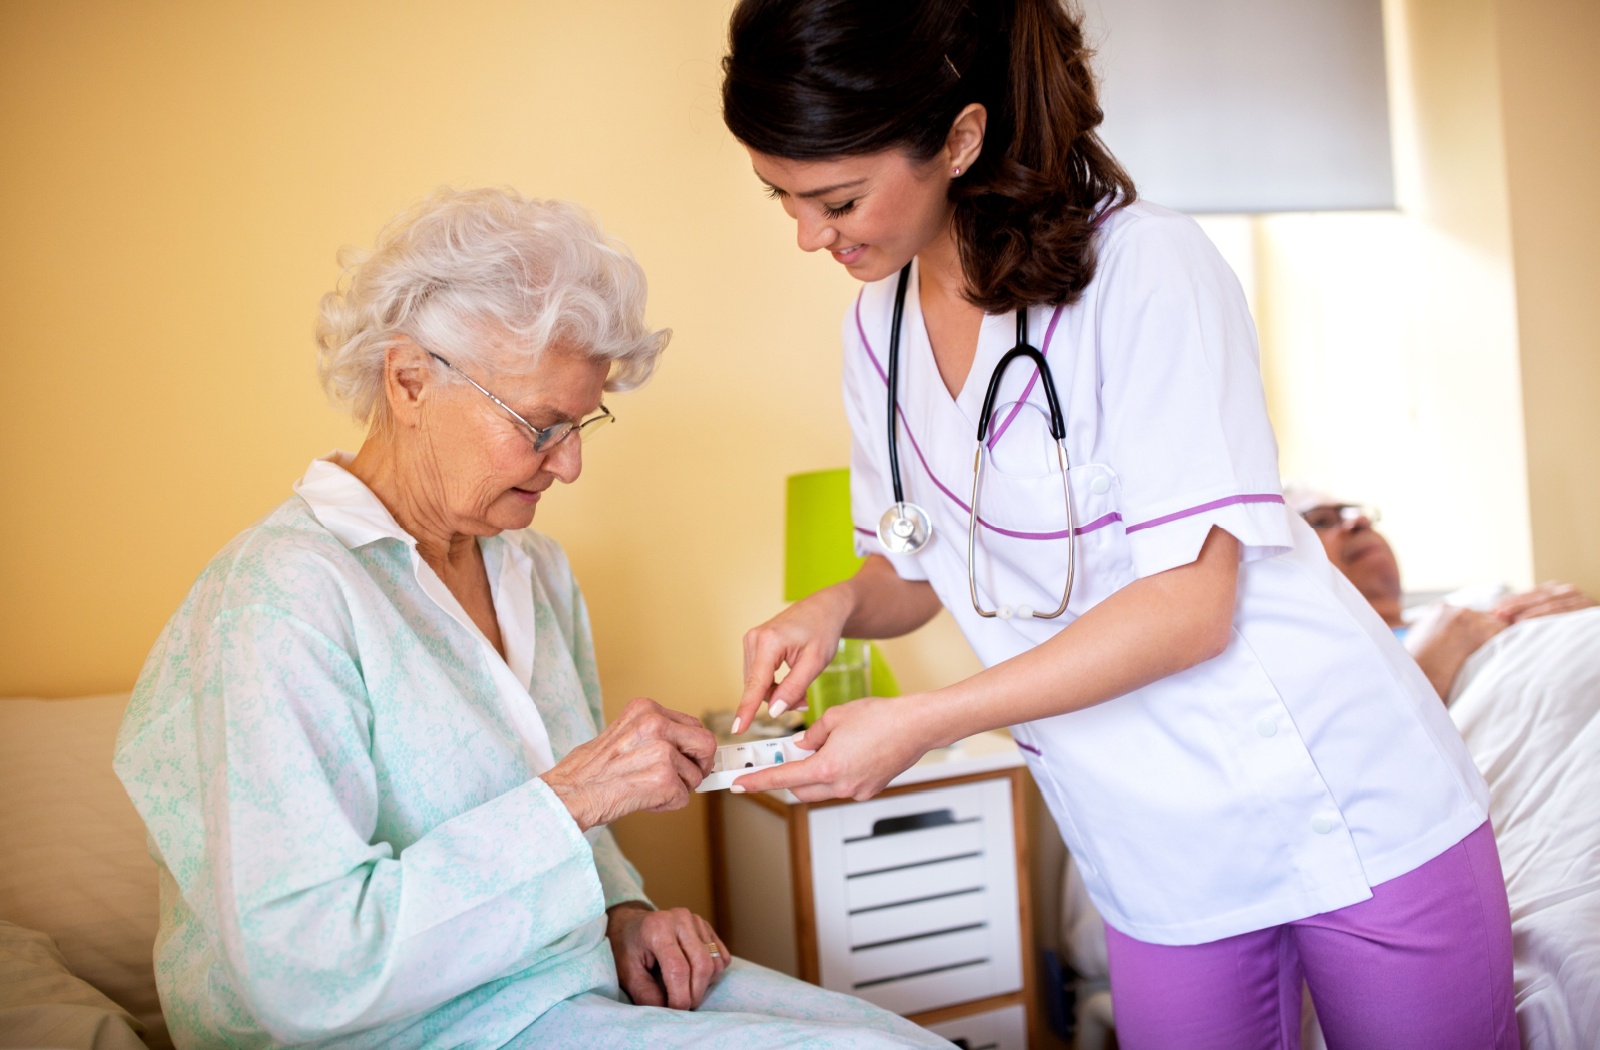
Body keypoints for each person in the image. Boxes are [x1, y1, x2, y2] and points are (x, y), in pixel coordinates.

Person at [717, 3, 1516, 1048]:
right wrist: (830, 608)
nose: (807, 235)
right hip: (1151, 839)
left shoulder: (1144, 271)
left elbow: (1190, 607)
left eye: (835, 198)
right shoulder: (881, 332)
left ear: (958, 138)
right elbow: (918, 565)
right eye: (779, 197)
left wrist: (925, 721)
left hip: (1336, 794)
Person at [113, 188, 948, 1050]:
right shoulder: (280, 598)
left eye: (583, 424)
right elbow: (303, 968)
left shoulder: (532, 570)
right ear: (408, 381)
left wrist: (623, 908)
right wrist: (585, 789)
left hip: (566, 979)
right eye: (541, 426)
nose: (573, 464)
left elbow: (566, 829)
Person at [1285, 484, 1596, 699]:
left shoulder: (1478, 602)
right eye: (1322, 520)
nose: (1359, 521)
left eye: (1353, 512)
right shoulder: (1314, 674)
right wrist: (1424, 666)